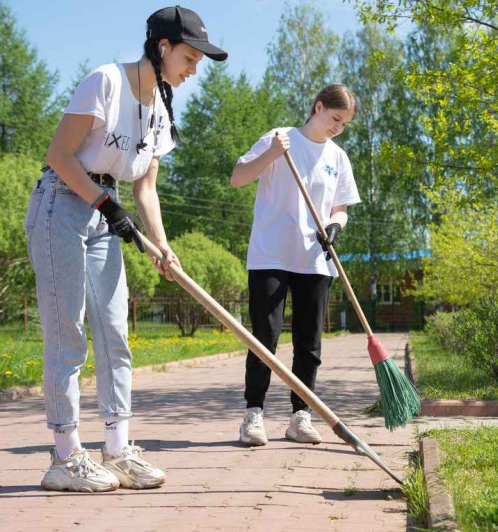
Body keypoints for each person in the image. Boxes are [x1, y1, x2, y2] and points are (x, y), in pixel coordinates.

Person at [24, 6, 227, 492]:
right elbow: (59, 156)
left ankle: (116, 450)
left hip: (106, 209)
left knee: (115, 334)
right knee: (68, 335)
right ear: (163, 47)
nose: (194, 69)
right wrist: (101, 203)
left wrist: (162, 245)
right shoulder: (105, 82)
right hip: (61, 204)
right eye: (190, 56)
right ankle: (65, 456)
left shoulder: (159, 108)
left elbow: (146, 190)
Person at [229, 85, 360, 446]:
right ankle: (253, 414)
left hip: (314, 258)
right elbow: (238, 177)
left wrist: (335, 226)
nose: (338, 128)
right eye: (335, 119)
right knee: (265, 337)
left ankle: (300, 415)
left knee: (309, 342)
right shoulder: (279, 138)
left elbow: (341, 208)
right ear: (318, 107)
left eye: (345, 123)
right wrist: (270, 154)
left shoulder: (338, 157)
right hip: (271, 254)